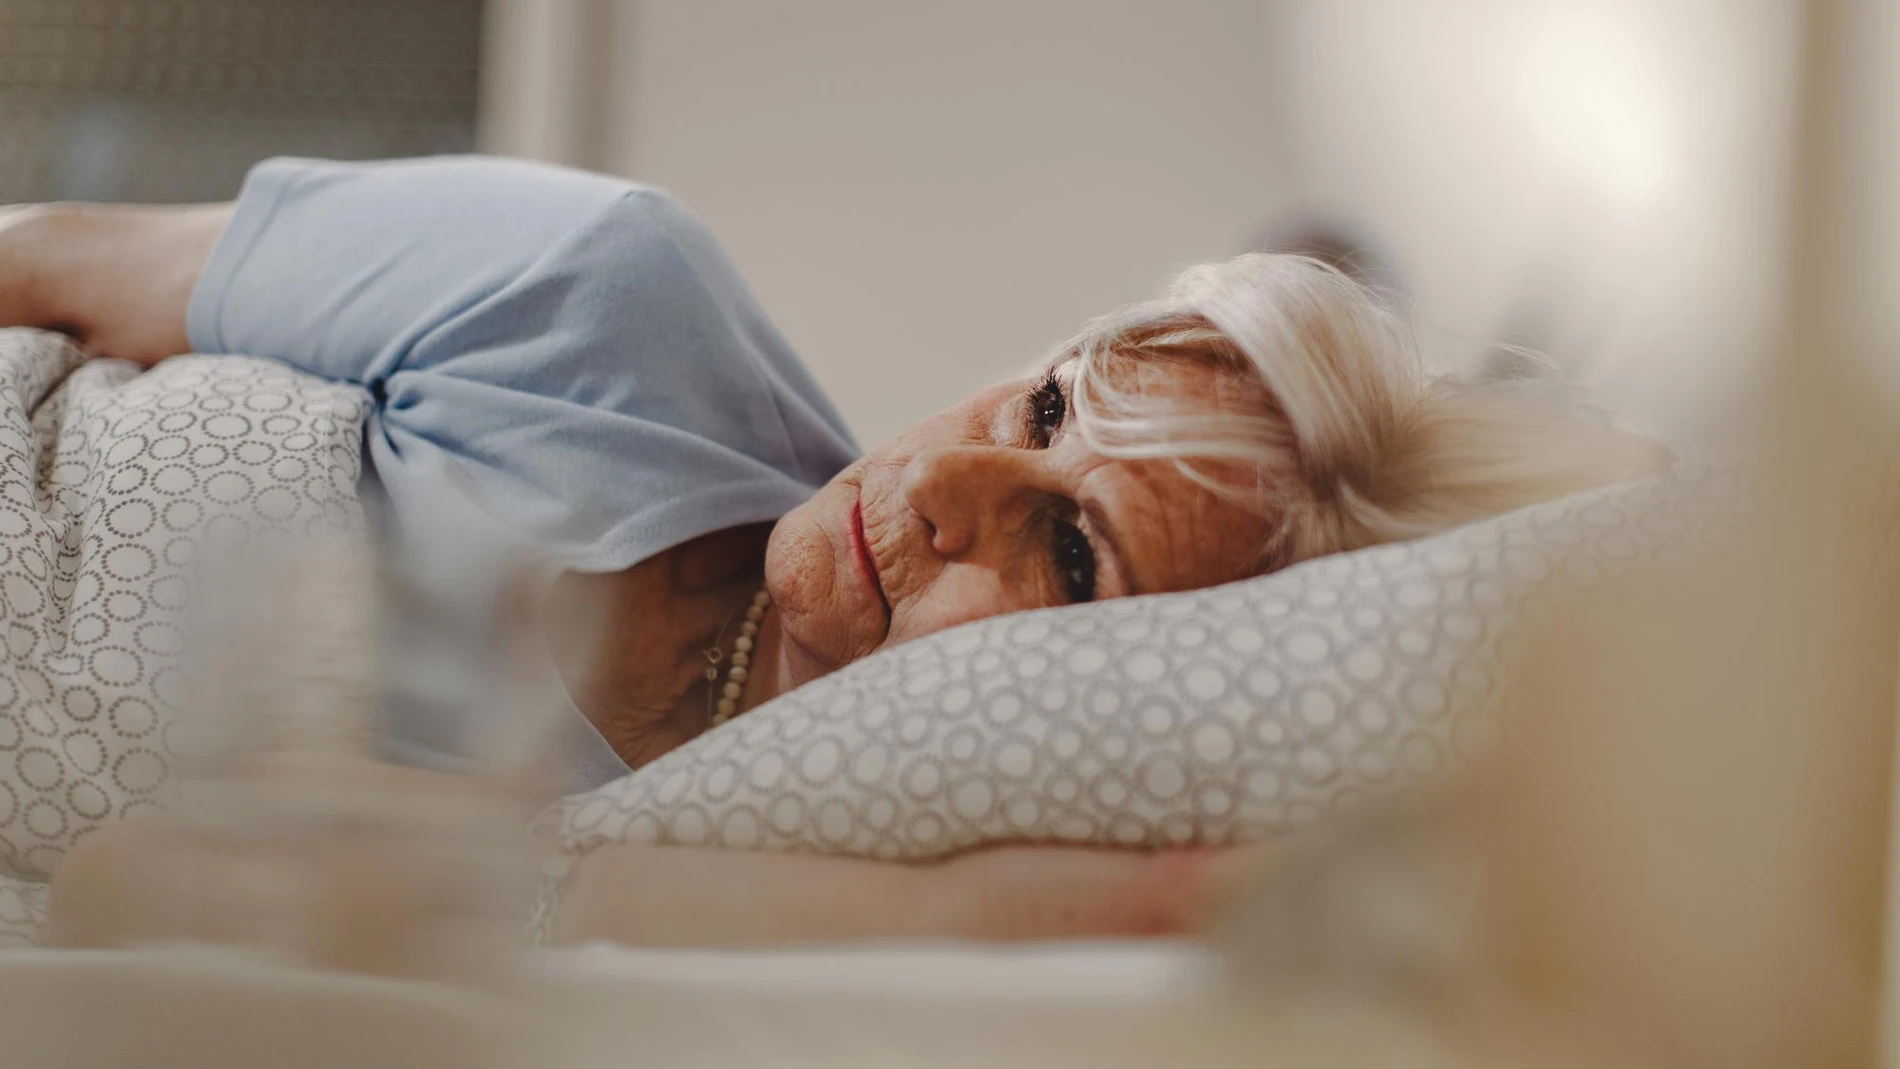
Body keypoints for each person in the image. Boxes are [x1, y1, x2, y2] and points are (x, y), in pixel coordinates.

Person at [1, 156, 1664, 948]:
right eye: (1039, 411)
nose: (939, 484)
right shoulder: (605, 295)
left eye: (1072, 555)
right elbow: (52, 257)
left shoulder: (784, 836)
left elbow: (119, 893)